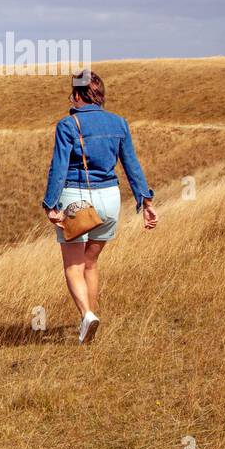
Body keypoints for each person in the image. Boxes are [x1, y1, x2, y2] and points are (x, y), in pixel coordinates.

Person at [41, 70, 157, 343]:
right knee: (91, 263)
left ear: (79, 95)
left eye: (72, 92)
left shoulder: (68, 125)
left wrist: (49, 204)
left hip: (77, 199)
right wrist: (146, 201)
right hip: (109, 199)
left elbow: (58, 168)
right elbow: (131, 165)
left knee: (73, 265)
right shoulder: (119, 123)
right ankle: (89, 323)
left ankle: (87, 315)